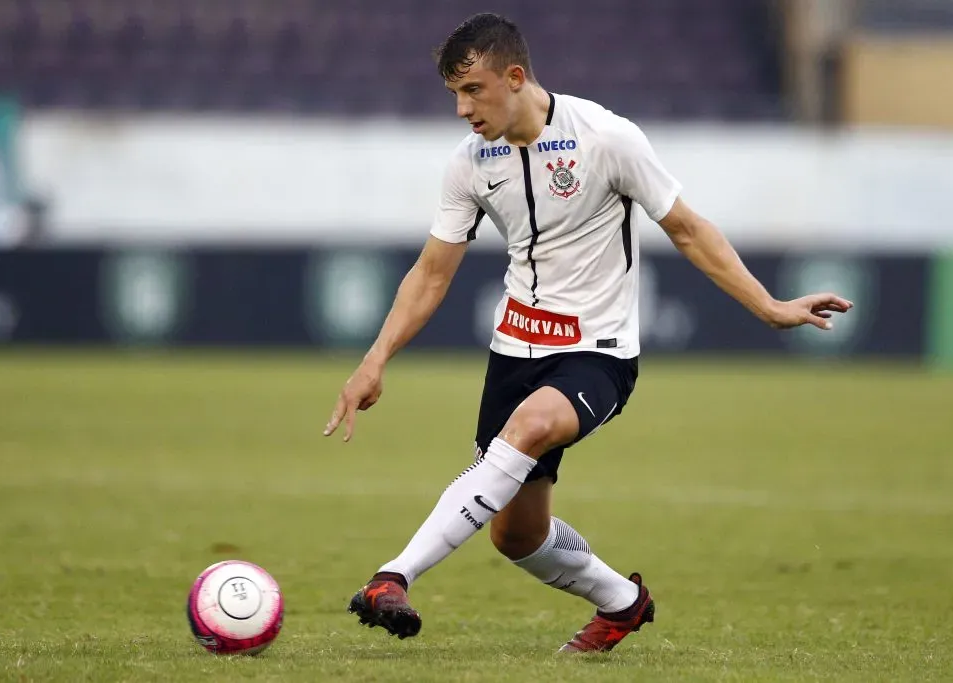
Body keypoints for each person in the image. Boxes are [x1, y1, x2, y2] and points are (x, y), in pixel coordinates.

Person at [322, 12, 853, 653]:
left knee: (529, 429)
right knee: (516, 537)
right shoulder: (468, 164)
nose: (463, 109)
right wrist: (376, 358)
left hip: (595, 353)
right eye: (455, 95)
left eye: (473, 91)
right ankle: (623, 602)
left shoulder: (607, 138)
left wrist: (768, 306)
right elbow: (432, 273)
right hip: (514, 351)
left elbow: (687, 228)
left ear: (515, 77)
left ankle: (392, 577)